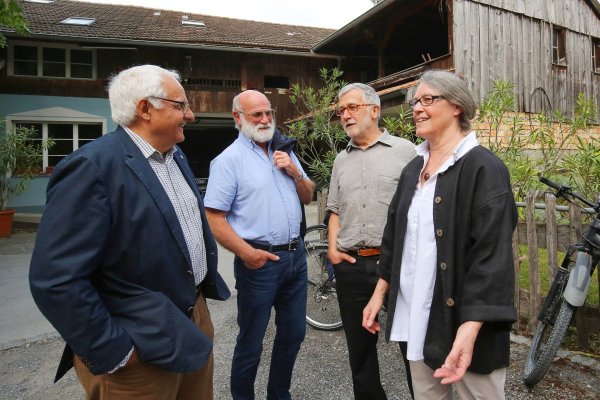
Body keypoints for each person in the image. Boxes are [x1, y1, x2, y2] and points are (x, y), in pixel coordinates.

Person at [29, 64, 231, 400]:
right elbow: (56, 279)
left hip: (191, 322)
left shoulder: (175, 156)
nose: (190, 115)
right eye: (181, 105)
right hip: (139, 341)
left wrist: (199, 312)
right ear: (145, 108)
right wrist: (117, 352)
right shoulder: (92, 167)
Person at [362, 69, 518, 399]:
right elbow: (394, 238)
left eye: (428, 99)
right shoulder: (413, 169)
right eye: (415, 102)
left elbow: (492, 259)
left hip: (466, 328)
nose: (417, 108)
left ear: (457, 106)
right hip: (418, 319)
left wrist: (469, 329)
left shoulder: (484, 169)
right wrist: (379, 294)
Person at [203, 90, 315, 400]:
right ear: (238, 118)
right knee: (251, 341)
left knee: (293, 334)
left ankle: (279, 395)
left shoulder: (284, 152)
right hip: (259, 263)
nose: (265, 120)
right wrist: (246, 253)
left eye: (268, 113)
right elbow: (214, 217)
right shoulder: (228, 161)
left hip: (295, 257)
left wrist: (294, 172)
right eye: (257, 114)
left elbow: (308, 195)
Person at [327, 83, 416, 400]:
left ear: (375, 110)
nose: (345, 115)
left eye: (352, 107)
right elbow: (334, 209)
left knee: (412, 346)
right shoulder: (341, 160)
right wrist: (332, 249)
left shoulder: (407, 152)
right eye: (341, 110)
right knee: (360, 350)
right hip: (351, 265)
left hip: (396, 264)